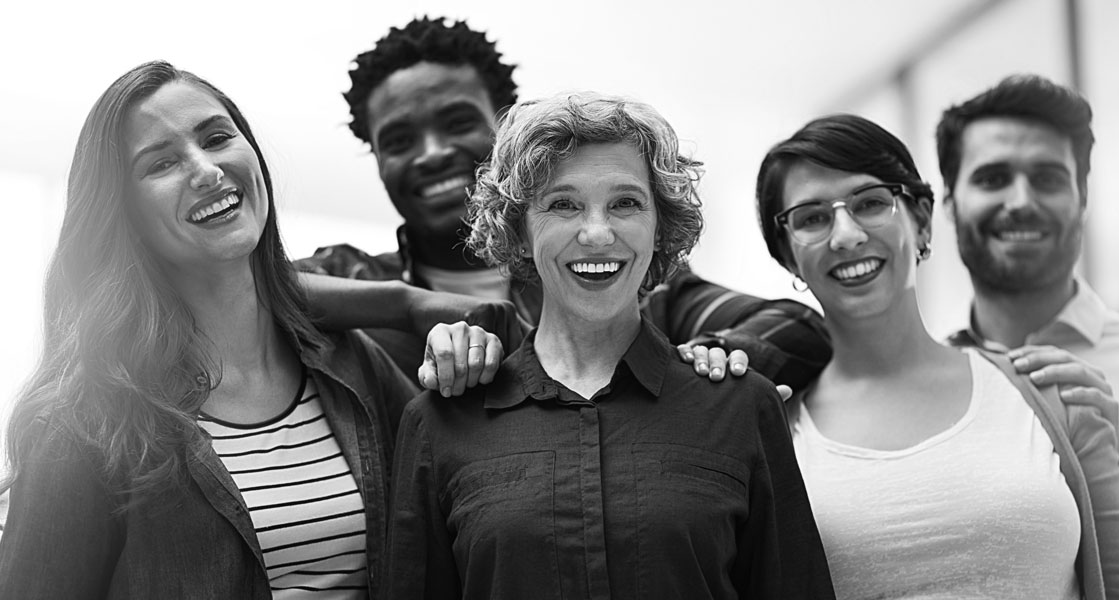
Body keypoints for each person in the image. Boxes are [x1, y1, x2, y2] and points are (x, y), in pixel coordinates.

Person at [0, 61, 486, 599]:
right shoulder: (81, 424)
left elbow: (462, 510)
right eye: (161, 163)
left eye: (216, 138)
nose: (206, 171)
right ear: (124, 214)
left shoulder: (351, 361)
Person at [386, 92, 835, 599]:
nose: (597, 234)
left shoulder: (742, 406)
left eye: (625, 203)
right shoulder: (440, 423)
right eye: (563, 204)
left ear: (659, 227)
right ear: (519, 231)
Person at [295, 17, 832, 390]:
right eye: (399, 140)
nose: (432, 153)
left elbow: (795, 326)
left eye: (457, 122)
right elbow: (259, 289)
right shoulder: (351, 281)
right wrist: (408, 307)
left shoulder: (626, 277)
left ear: (508, 131)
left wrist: (698, 365)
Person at [756, 113, 1119, 599]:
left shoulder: (1051, 393)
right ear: (788, 255)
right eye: (812, 218)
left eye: (871, 203)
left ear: (922, 221)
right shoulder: (774, 439)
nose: (846, 234)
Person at [938, 74, 1119, 598]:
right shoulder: (926, 388)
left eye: (1047, 178)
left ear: (1082, 199)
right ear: (949, 204)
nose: (1020, 201)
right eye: (992, 178)